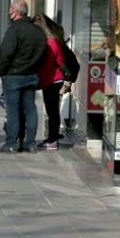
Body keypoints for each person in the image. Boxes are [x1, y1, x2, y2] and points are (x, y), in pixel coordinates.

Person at [0, 0, 47, 153]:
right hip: (31, 74)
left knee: (12, 109)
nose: (9, 13)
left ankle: (11, 143)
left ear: (14, 13)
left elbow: (6, 53)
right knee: (31, 108)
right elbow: (43, 53)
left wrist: (2, 71)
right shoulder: (38, 31)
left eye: (10, 10)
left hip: (14, 75)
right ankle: (30, 143)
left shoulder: (14, 30)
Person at [32, 14, 74, 151]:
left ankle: (52, 140)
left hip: (53, 80)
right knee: (52, 110)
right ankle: (52, 138)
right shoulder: (51, 41)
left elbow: (58, 62)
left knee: (52, 111)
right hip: (50, 80)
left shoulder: (51, 42)